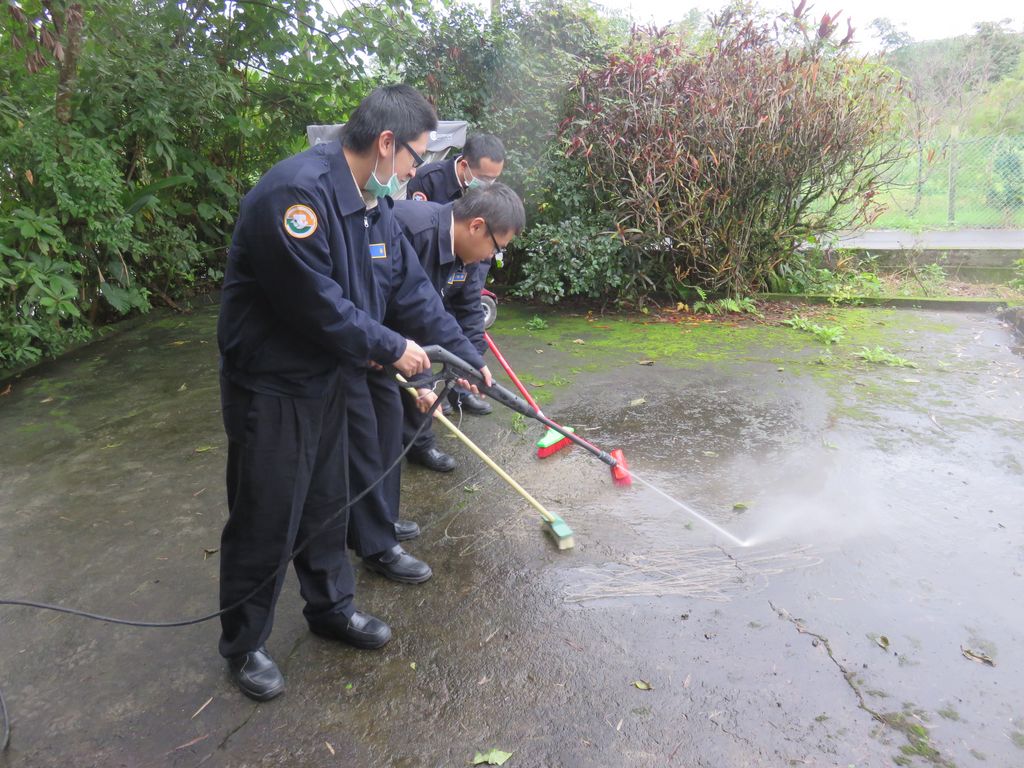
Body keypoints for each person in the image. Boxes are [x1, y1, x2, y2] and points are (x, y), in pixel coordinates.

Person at [215, 84, 437, 702]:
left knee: (326, 500)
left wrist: (461, 359)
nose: (416, 171)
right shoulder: (296, 195)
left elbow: (399, 287)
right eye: (414, 156)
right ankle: (244, 644)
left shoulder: (368, 201)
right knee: (267, 512)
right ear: (386, 143)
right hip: (274, 382)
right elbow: (317, 305)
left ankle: (331, 607)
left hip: (331, 375)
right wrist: (393, 347)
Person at [344, 156, 492, 585]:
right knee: (368, 443)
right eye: (412, 158)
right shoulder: (409, 223)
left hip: (387, 348)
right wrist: (414, 374)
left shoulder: (384, 214)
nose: (414, 173)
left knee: (387, 434)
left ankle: (379, 527)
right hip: (367, 347)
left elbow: (426, 305)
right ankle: (371, 537)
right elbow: (391, 310)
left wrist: (471, 361)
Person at [396, 183, 525, 473]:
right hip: (375, 331)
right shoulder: (411, 230)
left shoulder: (471, 255)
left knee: (421, 385)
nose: (492, 256)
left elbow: (468, 313)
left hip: (412, 329)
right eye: (496, 247)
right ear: (477, 226)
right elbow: (417, 309)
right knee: (384, 416)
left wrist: (471, 363)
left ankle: (419, 445)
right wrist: (428, 382)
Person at [406, 133, 506, 204]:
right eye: (484, 178)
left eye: (494, 178)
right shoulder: (426, 180)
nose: (489, 184)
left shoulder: (488, 189)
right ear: (463, 165)